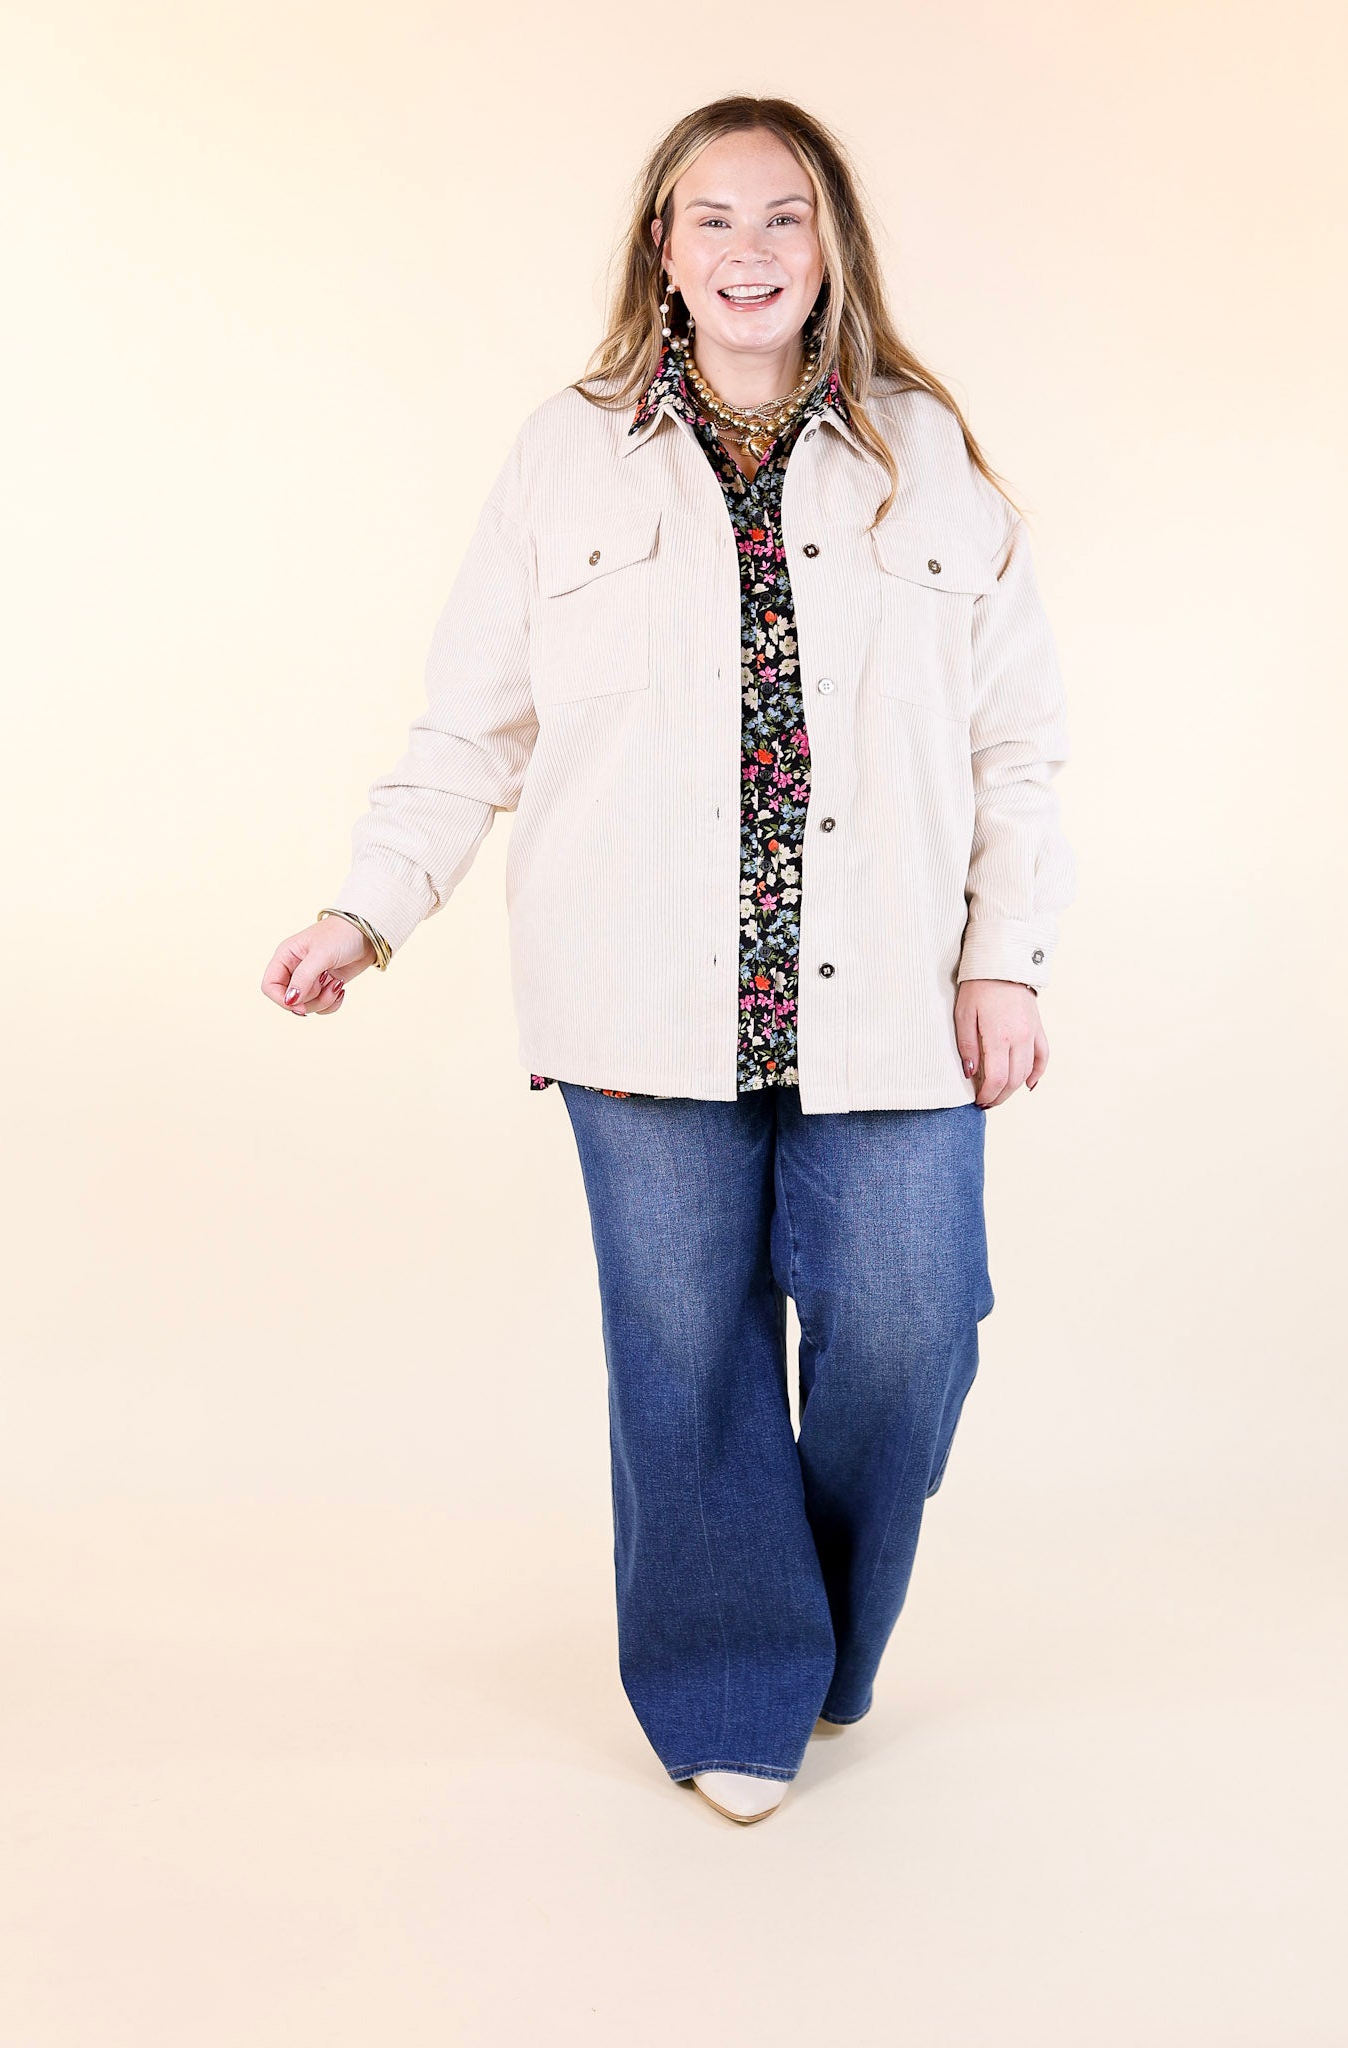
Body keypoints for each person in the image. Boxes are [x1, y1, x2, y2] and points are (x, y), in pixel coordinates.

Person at [262, 95, 1076, 1827]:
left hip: (887, 997)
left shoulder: (925, 449)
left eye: (783, 217)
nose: (749, 251)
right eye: (714, 218)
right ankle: (732, 1688)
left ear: (829, 244)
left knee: (909, 1332)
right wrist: (366, 910)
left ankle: (815, 1640)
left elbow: (1017, 742)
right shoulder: (565, 454)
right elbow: (472, 723)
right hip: (634, 992)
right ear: (663, 246)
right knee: (685, 1354)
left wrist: (1003, 959)